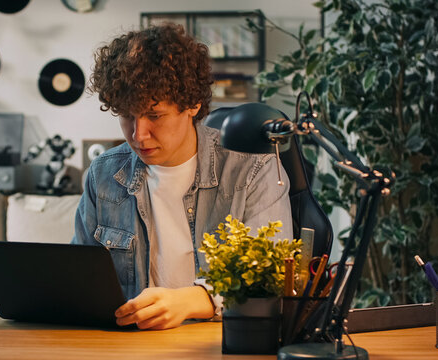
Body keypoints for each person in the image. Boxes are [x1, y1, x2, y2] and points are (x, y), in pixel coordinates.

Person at [72, 24, 292, 330]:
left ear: (193, 104)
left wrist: (194, 300)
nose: (138, 134)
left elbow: (270, 281)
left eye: (155, 115)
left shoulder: (253, 168)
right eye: (126, 115)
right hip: (128, 345)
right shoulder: (104, 174)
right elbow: (80, 279)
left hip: (221, 341)